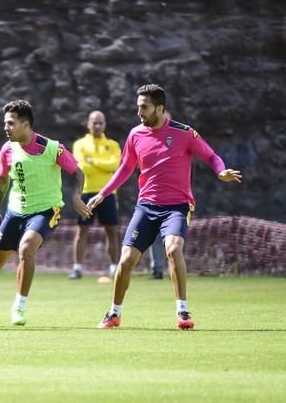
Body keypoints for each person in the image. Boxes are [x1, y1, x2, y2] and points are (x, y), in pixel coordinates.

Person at [86, 84, 242, 330]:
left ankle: (182, 311)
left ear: (160, 108)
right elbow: (126, 168)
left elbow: (211, 156)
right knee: (126, 260)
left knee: (173, 248)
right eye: (138, 107)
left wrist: (220, 171)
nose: (139, 112)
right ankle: (114, 313)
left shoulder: (185, 133)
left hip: (177, 207)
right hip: (146, 207)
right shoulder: (136, 134)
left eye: (144, 108)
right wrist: (103, 193)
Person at [0, 99, 90, 326]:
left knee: (26, 248)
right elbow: (2, 182)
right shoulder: (7, 149)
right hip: (15, 211)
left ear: (26, 124)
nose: (6, 127)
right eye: (5, 123)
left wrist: (76, 196)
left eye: (10, 123)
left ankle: (19, 307)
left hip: (46, 210)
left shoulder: (52, 148)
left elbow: (78, 173)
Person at [69, 110, 121, 279]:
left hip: (107, 193)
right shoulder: (80, 144)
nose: (97, 126)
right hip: (86, 192)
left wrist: (93, 161)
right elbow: (82, 167)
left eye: (101, 123)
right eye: (94, 122)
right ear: (88, 124)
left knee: (111, 230)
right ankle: (77, 268)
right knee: (82, 229)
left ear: (105, 124)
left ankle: (114, 268)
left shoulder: (113, 145)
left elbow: (115, 165)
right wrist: (99, 164)